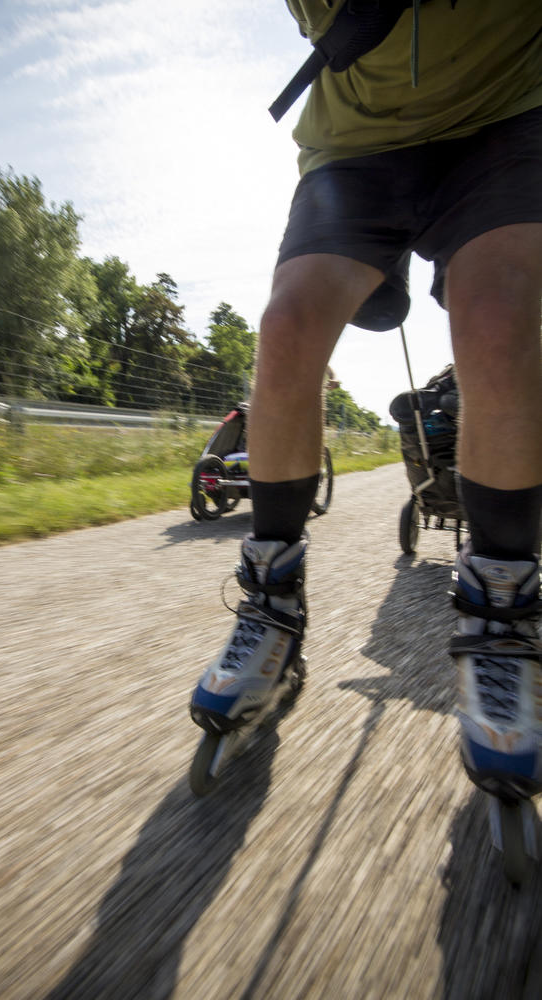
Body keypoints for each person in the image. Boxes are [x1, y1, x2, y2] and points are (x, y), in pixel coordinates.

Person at [190, 0, 542, 800]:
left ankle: (500, 620)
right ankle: (271, 610)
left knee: (493, 319)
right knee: (285, 327)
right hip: (357, 142)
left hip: (505, 111)